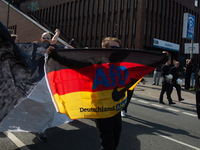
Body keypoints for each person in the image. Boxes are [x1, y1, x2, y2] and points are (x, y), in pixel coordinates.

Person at [95, 37, 122, 150]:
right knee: (108, 146)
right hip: (102, 112)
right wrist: (54, 54)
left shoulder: (119, 64)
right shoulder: (94, 63)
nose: (115, 50)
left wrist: (160, 59)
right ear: (104, 48)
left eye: (118, 48)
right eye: (112, 47)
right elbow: (73, 64)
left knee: (115, 144)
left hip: (116, 111)